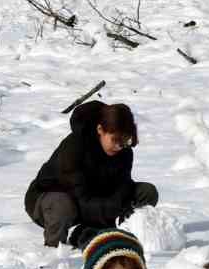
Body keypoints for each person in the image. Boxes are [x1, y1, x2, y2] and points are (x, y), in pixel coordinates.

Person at [25, 101, 159, 249]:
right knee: (63, 205)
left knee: (147, 192)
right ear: (100, 129)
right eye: (115, 140)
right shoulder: (74, 147)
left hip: (95, 200)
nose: (119, 146)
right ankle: (54, 250)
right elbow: (80, 196)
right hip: (52, 200)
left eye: (124, 141)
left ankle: (123, 233)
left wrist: (120, 203)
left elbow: (123, 184)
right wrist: (113, 208)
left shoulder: (124, 152)